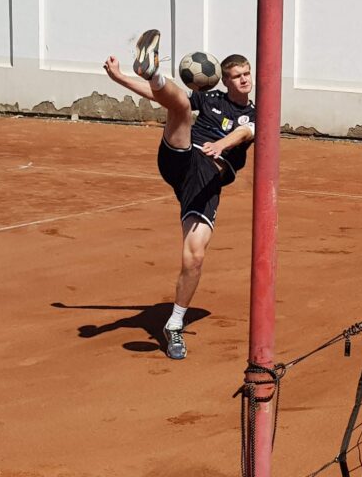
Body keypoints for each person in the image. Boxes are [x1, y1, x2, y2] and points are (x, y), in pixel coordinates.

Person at [104, 29, 256, 360]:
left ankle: (174, 325)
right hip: (183, 156)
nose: (244, 80)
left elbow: (245, 132)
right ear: (224, 81)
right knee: (182, 108)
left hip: (206, 181)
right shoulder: (210, 99)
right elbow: (164, 98)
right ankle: (152, 71)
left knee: (195, 256)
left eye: (247, 74)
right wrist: (120, 78)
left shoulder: (256, 114)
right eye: (237, 76)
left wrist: (221, 145)